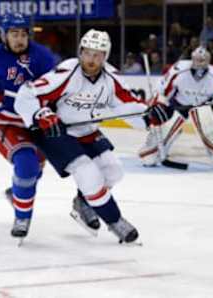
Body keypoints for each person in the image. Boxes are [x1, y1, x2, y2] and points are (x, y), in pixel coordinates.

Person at [14, 29, 147, 244]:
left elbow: (129, 106)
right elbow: (27, 94)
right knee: (88, 174)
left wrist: (152, 114)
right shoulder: (67, 72)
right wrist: (41, 114)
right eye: (87, 53)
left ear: (105, 56)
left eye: (97, 55)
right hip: (57, 132)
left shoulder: (111, 79)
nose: (91, 60)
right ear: (80, 52)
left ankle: (84, 203)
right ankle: (115, 221)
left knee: (113, 171)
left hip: (87, 131)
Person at [0, 13, 56, 240]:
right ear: (4, 35)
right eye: (14, 34)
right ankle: (22, 216)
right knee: (27, 163)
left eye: (23, 34)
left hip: (36, 122)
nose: (19, 39)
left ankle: (16, 194)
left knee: (35, 171)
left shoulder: (44, 57)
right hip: (5, 122)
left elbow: (58, 92)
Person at [138, 46, 213, 168]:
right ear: (192, 59)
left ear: (209, 61)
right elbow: (162, 92)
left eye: (202, 60)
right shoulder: (179, 69)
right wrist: (156, 105)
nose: (199, 64)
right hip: (179, 107)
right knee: (148, 159)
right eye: (197, 60)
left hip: (203, 110)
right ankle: (158, 143)